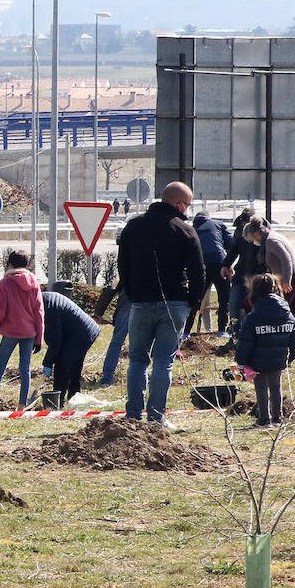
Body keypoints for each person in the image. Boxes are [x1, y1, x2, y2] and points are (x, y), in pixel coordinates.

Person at [116, 181, 204, 428]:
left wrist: (133, 294)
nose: (187, 209)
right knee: (163, 361)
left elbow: (123, 265)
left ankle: (133, 415)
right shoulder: (185, 230)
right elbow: (199, 272)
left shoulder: (133, 226)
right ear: (179, 204)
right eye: (187, 204)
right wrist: (192, 304)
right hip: (175, 304)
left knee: (137, 360)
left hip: (141, 303)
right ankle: (156, 417)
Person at [0, 250, 44, 409]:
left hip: (10, 332)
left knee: (0, 368)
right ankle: (22, 405)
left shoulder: (6, 283)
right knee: (25, 368)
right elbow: (39, 312)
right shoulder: (34, 282)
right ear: (27, 265)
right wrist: (39, 338)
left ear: (9, 264)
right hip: (29, 332)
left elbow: (0, 309)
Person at [236, 274, 295, 428]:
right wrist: (291, 356)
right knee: (276, 386)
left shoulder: (253, 316)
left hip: (258, 360)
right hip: (279, 359)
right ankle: (277, 419)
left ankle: (264, 420)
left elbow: (246, 342)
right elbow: (294, 336)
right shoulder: (286, 312)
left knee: (261, 388)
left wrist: (241, 361)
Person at [243, 217, 295, 353]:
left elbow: (286, 260)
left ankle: (289, 346)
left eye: (251, 240)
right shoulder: (272, 236)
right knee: (292, 313)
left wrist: (286, 281)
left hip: (291, 279)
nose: (253, 243)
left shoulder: (271, 241)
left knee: (283, 314)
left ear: (256, 234)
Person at [40, 290, 101, 406]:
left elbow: (55, 341)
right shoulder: (45, 299)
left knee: (63, 365)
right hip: (80, 331)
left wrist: (48, 363)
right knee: (74, 365)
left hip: (82, 332)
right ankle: (74, 399)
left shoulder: (50, 308)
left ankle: (58, 402)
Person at [187, 212, 233, 337]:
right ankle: (222, 330)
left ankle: (186, 332)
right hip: (220, 263)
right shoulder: (218, 224)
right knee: (224, 299)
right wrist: (228, 263)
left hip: (202, 265)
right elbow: (231, 243)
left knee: (196, 298)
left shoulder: (192, 229)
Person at [222, 208, 260, 334]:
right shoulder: (239, 232)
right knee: (234, 304)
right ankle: (235, 335)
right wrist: (225, 264)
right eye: (243, 225)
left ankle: (253, 335)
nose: (245, 228)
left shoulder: (263, 233)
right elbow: (233, 249)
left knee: (255, 307)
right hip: (241, 275)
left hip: (257, 277)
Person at [95, 278, 130, 387]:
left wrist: (99, 312)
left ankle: (107, 377)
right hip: (146, 306)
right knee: (142, 346)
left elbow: (111, 288)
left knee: (116, 343)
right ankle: (139, 378)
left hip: (126, 305)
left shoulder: (128, 264)